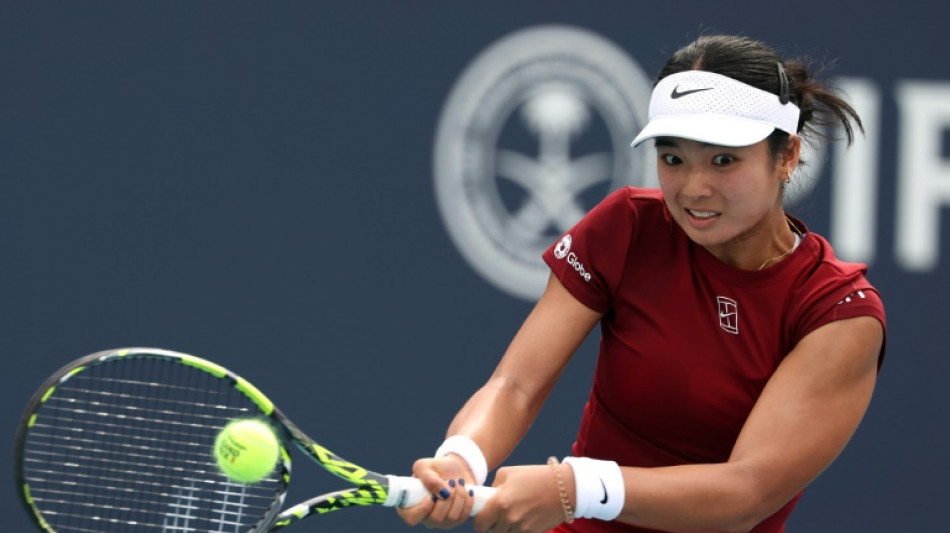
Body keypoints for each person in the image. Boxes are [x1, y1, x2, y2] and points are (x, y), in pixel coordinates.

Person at [398, 34, 886, 533]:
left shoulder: (838, 313)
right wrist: (461, 459)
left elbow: (745, 493)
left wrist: (575, 488)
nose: (694, 188)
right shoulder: (629, 226)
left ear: (786, 156)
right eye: (673, 159)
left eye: (723, 160)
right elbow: (515, 385)